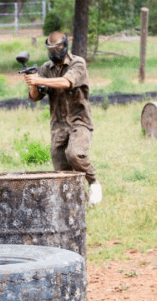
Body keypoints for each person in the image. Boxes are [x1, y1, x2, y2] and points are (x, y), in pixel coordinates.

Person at [23, 31, 102, 205]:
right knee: (61, 170)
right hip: (58, 125)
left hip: (79, 121)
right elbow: (35, 97)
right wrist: (32, 83)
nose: (54, 52)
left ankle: (94, 182)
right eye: (51, 49)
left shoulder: (78, 63)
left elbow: (66, 82)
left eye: (58, 48)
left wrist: (38, 80)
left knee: (74, 154)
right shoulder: (46, 69)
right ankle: (81, 203)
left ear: (65, 46)